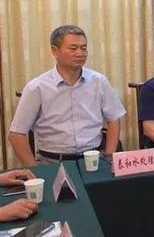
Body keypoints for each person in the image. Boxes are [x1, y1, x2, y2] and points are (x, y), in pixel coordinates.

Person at [9, 25, 125, 167]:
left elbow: (114, 118)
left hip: (93, 159)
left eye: (84, 48)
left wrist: (109, 156)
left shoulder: (98, 81)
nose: (80, 53)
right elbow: (16, 135)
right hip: (53, 162)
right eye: (73, 48)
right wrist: (35, 171)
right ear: (55, 50)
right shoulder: (37, 87)